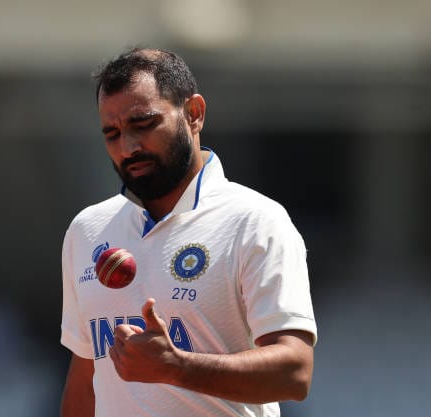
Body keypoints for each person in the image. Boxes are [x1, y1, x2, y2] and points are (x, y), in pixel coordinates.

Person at [60, 47, 317, 417]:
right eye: (111, 133)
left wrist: (175, 367)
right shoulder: (87, 230)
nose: (127, 147)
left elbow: (294, 372)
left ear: (193, 114)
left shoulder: (255, 221)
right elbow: (85, 380)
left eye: (143, 124)